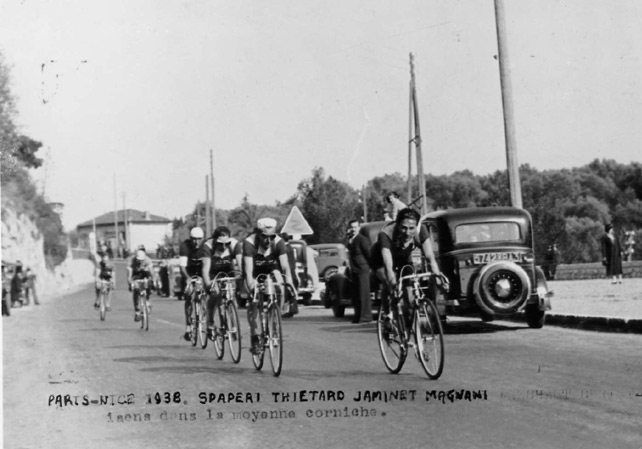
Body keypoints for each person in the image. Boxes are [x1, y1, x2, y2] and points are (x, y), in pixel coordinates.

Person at [372, 208, 445, 317]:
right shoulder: (386, 233)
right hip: (381, 260)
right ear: (397, 224)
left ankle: (409, 316)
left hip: (403, 257)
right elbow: (388, 265)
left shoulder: (421, 230)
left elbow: (430, 257)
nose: (407, 233)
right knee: (388, 283)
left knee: (409, 288)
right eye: (404, 228)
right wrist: (393, 284)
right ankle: (387, 315)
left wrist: (438, 276)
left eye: (412, 228)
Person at [243, 218, 294, 355]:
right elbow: (248, 270)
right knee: (253, 304)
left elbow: (285, 267)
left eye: (272, 237)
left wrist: (289, 283)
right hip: (254, 271)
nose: (268, 241)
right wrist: (251, 285)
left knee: (280, 284)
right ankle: (255, 338)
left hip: (271, 268)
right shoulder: (249, 243)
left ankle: (276, 319)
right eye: (265, 237)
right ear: (258, 234)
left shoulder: (279, 242)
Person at [201, 226, 242, 339]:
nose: (224, 247)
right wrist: (209, 284)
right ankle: (210, 322)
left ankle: (232, 324)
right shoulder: (208, 246)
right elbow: (205, 269)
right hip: (212, 272)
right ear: (215, 241)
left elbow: (241, 263)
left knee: (231, 295)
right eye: (220, 244)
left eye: (226, 244)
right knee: (215, 294)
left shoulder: (235, 244)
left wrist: (244, 275)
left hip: (228, 270)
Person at [179, 227, 205, 340]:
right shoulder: (185, 247)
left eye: (199, 239)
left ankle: (204, 312)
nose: (196, 242)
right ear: (190, 238)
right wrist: (188, 278)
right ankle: (188, 326)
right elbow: (182, 267)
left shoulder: (205, 247)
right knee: (189, 295)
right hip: (188, 272)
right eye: (194, 239)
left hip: (201, 272)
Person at [346, 219, 372, 323]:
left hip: (363, 269)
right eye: (352, 227)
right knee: (356, 294)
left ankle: (365, 316)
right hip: (354, 269)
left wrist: (370, 267)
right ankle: (358, 315)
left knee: (363, 293)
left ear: (359, 228)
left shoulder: (362, 239)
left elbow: (368, 254)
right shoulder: (350, 239)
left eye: (355, 227)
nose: (353, 229)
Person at [127, 248, 154, 321]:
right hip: (136, 274)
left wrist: (153, 282)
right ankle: (137, 311)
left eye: (142, 260)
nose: (140, 261)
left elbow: (152, 273)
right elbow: (129, 275)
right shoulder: (131, 261)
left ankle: (147, 300)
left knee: (149, 282)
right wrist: (130, 283)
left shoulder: (148, 260)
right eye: (139, 260)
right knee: (135, 290)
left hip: (145, 273)